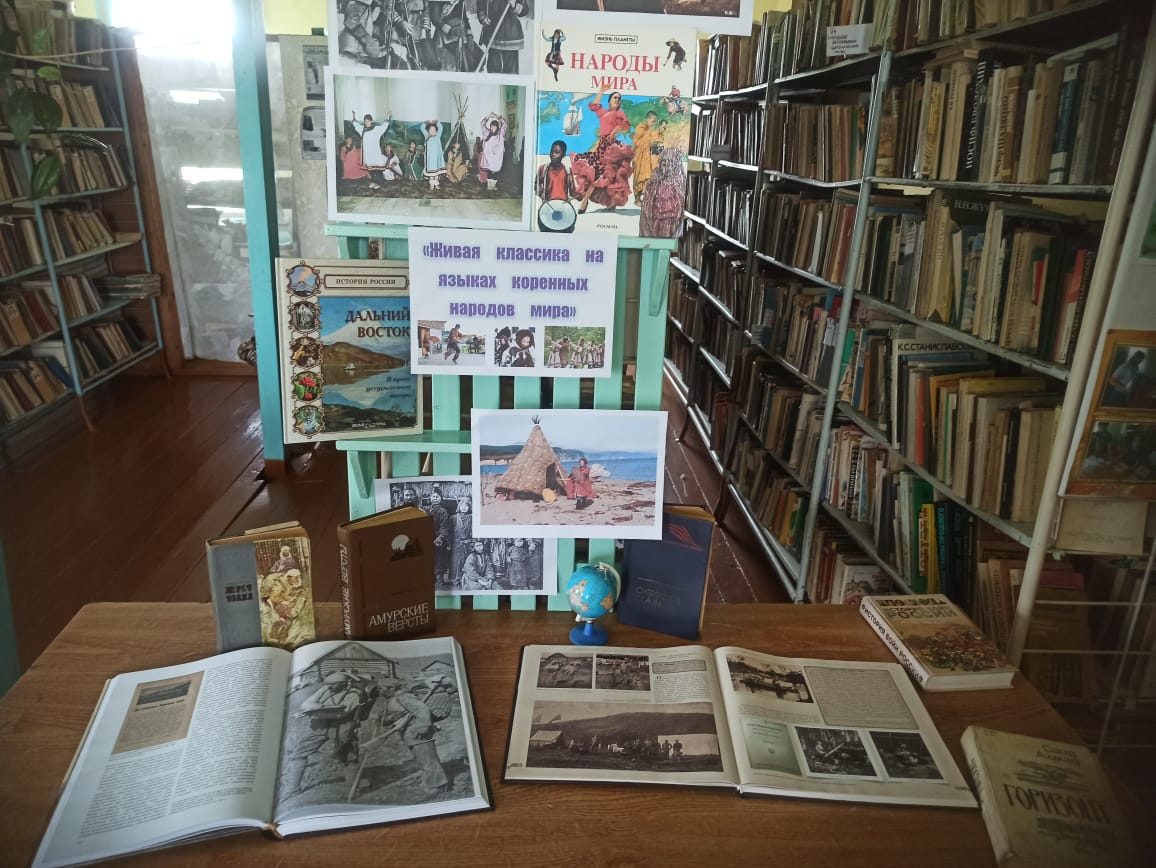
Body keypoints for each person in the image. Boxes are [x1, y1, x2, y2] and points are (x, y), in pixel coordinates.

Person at [378, 678, 450, 794]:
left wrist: (421, 728)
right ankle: (429, 781)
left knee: (428, 760)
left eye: (381, 689)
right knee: (422, 759)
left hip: (418, 734)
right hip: (411, 734)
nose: (379, 692)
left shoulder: (404, 697)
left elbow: (423, 710)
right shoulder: (395, 698)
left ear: (391, 688)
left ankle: (436, 786)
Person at [570, 85, 633, 214]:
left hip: (611, 147)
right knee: (598, 173)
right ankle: (604, 202)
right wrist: (601, 91)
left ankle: (586, 200)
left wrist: (613, 132)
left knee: (605, 173)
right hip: (602, 145)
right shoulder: (604, 113)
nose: (617, 100)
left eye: (619, 98)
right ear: (609, 100)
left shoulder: (619, 113)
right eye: (615, 97)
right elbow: (593, 106)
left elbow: (625, 124)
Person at [640, 146, 686, 238]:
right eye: (664, 164)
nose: (667, 168)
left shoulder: (681, 183)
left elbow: (682, 205)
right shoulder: (654, 183)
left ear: (676, 165)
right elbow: (647, 208)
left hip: (673, 223)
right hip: (656, 223)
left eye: (671, 164)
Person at [478, 0, 531, 74]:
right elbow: (481, 5)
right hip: (492, 35)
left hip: (510, 37)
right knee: (493, 71)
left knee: (511, 73)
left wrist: (514, 5)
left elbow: (524, 10)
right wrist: (483, 18)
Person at [536, 140, 576, 232]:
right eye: (552, 151)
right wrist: (541, 193)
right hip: (547, 210)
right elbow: (536, 186)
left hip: (564, 211)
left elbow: (573, 193)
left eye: (557, 152)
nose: (553, 154)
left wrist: (574, 186)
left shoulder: (567, 170)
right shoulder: (543, 169)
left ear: (563, 155)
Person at [630, 111, 660, 206]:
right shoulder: (640, 128)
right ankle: (637, 199)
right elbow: (636, 142)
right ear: (648, 119)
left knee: (647, 177)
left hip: (647, 158)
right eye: (653, 121)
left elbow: (652, 142)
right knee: (638, 177)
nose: (654, 123)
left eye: (655, 122)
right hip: (638, 156)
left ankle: (645, 199)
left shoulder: (650, 130)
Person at [428, 487, 452, 587]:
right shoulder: (427, 509)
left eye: (437, 497)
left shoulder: (442, 511)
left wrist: (441, 537)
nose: (435, 498)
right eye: (433, 496)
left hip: (438, 539)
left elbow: (444, 526)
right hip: (428, 538)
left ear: (441, 498)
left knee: (439, 559)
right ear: (430, 498)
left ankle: (440, 580)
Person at [478, 112, 506, 190]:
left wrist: (498, 117)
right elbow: (482, 124)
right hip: (488, 157)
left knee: (495, 171)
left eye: (495, 126)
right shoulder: (487, 133)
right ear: (490, 127)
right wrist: (488, 117)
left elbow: (504, 125)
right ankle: (489, 185)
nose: (493, 128)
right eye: (492, 126)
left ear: (497, 127)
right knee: (489, 171)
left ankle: (493, 185)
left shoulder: (500, 134)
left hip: (497, 156)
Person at [450, 500, 473, 585]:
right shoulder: (453, 518)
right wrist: (449, 543)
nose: (464, 507)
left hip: (468, 543)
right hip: (456, 543)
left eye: (466, 506)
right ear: (459, 507)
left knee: (467, 561)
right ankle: (456, 578)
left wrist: (471, 541)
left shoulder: (471, 518)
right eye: (462, 506)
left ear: (469, 507)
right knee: (456, 561)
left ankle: (467, 578)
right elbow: (450, 532)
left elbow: (473, 531)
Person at [423, 120, 447, 189]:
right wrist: (427, 122)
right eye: (431, 130)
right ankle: (431, 184)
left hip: (437, 159)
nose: (432, 131)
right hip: (430, 160)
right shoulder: (427, 136)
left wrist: (436, 121)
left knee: (437, 173)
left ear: (436, 131)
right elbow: (422, 127)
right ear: (428, 131)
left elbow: (441, 127)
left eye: (434, 130)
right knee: (431, 174)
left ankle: (436, 184)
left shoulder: (438, 136)